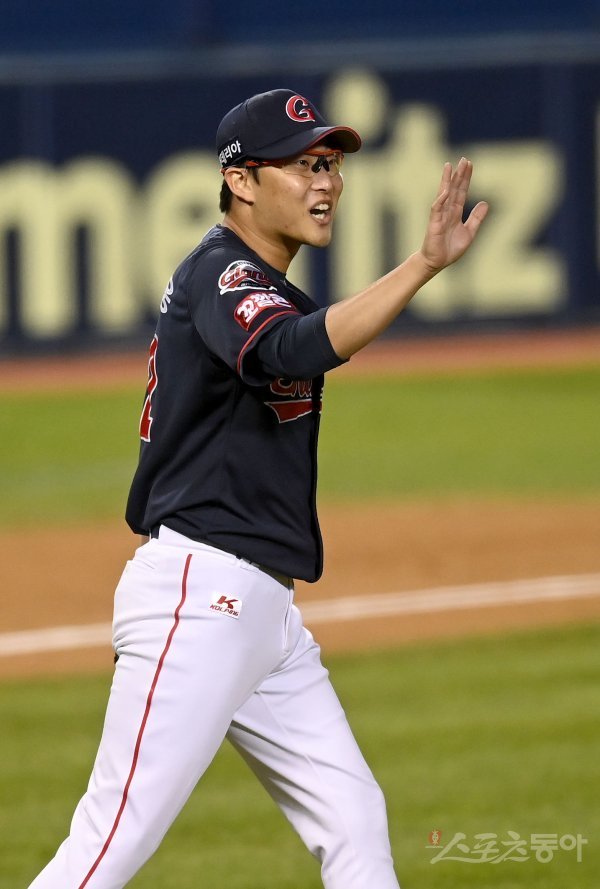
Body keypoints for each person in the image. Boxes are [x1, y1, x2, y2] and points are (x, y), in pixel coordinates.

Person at [28, 88, 488, 889]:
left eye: (332, 164)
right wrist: (420, 266)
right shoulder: (222, 272)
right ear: (241, 181)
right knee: (108, 847)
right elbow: (289, 349)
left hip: (261, 615)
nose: (328, 183)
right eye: (305, 165)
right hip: (201, 596)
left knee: (353, 819)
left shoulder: (262, 284)